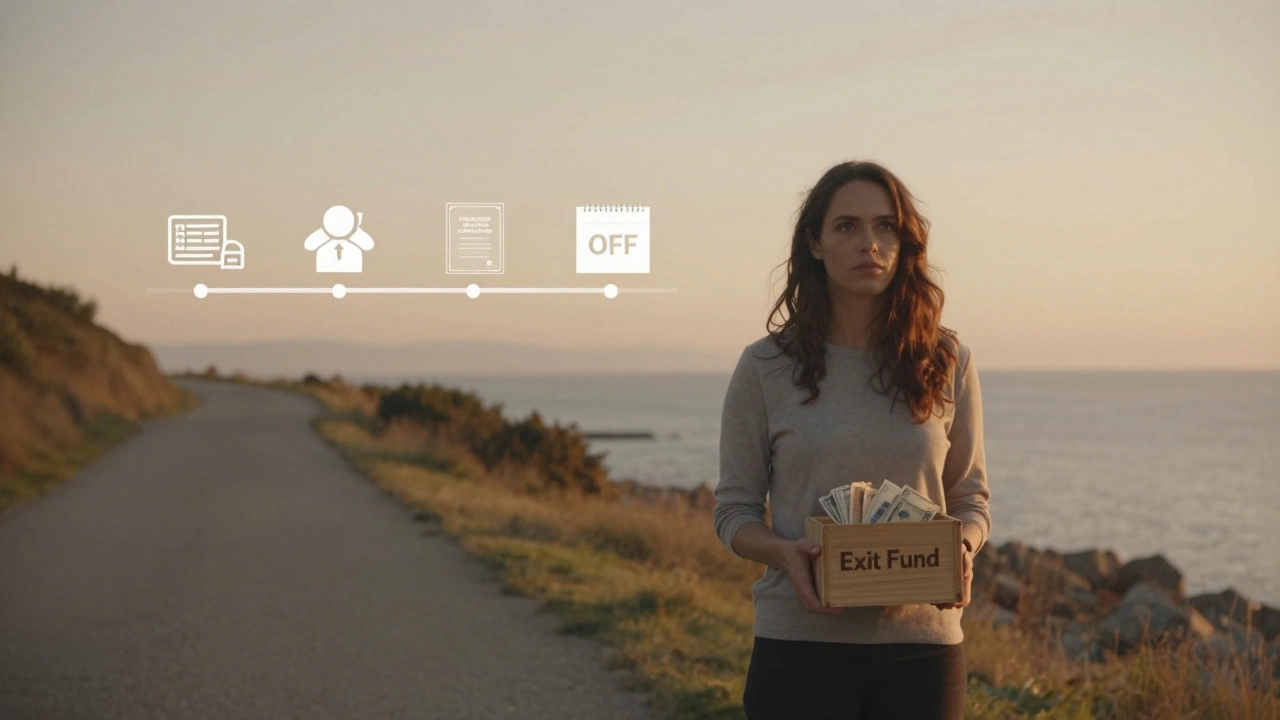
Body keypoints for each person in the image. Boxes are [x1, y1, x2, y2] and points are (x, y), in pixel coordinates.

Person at [712, 160, 991, 720]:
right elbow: (734, 512)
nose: (870, 243)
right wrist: (784, 554)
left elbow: (969, 499)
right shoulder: (764, 367)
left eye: (887, 226)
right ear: (814, 242)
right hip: (799, 645)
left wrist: (962, 547)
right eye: (847, 226)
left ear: (905, 241)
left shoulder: (947, 359)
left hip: (924, 649)